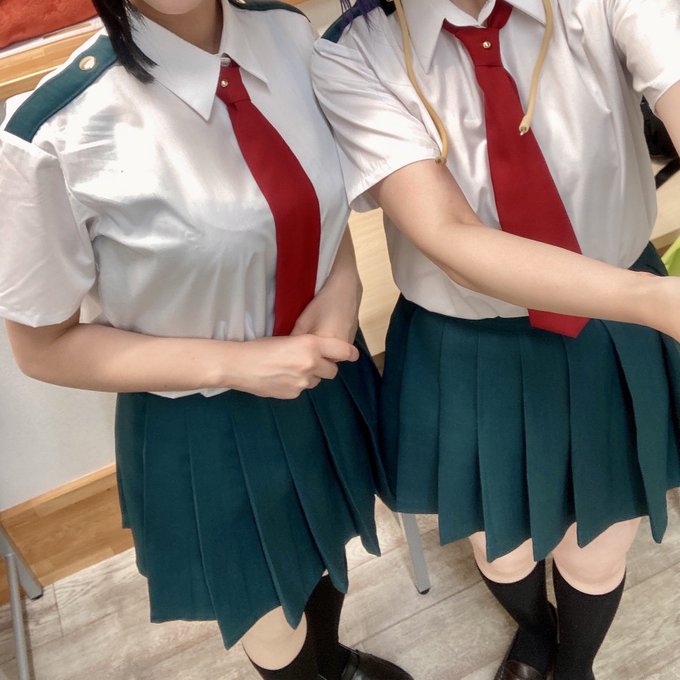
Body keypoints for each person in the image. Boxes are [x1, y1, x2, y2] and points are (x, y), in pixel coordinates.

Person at [0, 1, 414, 679]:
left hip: (322, 374)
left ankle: (334, 660)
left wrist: (344, 286)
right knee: (267, 609)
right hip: (205, 421)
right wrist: (237, 365)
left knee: (326, 546)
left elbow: (313, 201)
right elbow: (41, 346)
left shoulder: (289, 35)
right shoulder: (55, 130)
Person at [311, 0, 680, 678]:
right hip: (468, 344)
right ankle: (535, 632)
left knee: (599, 545)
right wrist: (656, 301)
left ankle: (576, 665)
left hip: (613, 336)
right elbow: (449, 235)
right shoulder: (353, 52)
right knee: (500, 548)